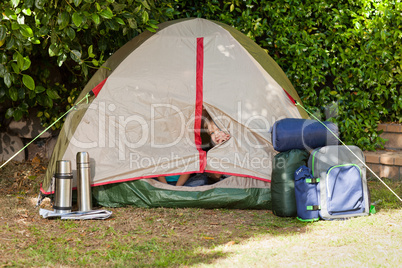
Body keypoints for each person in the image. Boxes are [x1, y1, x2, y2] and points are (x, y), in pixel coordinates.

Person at [201, 109, 231, 182]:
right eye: (212, 133)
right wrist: (221, 150)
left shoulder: (238, 144)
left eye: (219, 129)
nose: (216, 135)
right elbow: (216, 176)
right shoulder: (214, 152)